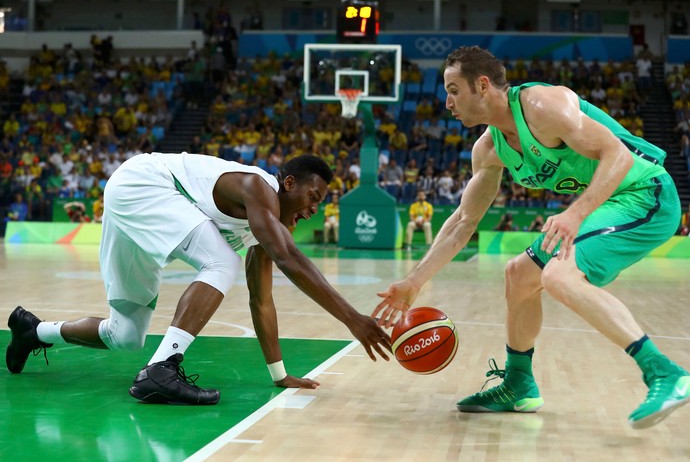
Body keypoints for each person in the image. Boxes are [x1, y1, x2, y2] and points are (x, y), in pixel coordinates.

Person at [372, 46, 689, 429]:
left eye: (454, 89)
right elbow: (463, 220)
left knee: (558, 275)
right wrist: (414, 280)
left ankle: (664, 372)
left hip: (646, 191)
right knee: (519, 276)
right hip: (612, 199)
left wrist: (575, 213)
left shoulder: (542, 105)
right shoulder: (489, 148)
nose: (447, 101)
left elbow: (617, 156)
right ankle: (519, 384)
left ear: (482, 85)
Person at [7, 153, 391, 405]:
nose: (313, 210)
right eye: (314, 197)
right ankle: (161, 370)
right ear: (289, 184)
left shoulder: (262, 229)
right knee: (221, 261)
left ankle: (34, 330)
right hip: (144, 184)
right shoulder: (259, 188)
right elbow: (288, 256)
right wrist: (353, 320)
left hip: (135, 207)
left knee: (124, 335)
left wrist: (280, 375)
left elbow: (262, 301)